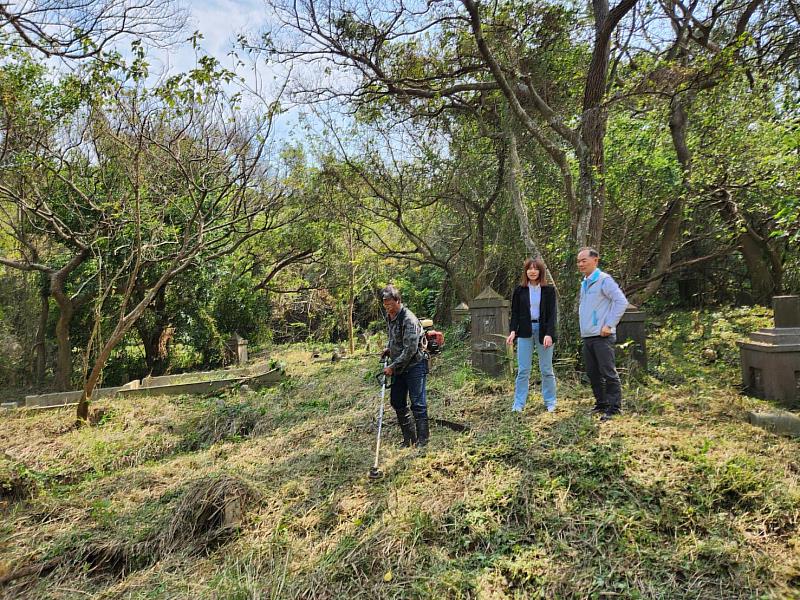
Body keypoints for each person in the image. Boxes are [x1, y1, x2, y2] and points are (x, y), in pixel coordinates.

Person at [576, 247, 629, 421]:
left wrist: (609, 324)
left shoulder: (604, 280)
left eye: (584, 260)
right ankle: (602, 404)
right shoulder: (585, 282)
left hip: (602, 336)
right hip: (588, 336)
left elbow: (621, 301)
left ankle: (614, 408)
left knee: (608, 372)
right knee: (592, 372)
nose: (581, 264)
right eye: (579, 261)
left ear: (595, 260)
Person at [505, 257, 558, 412]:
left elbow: (552, 315)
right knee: (523, 370)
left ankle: (550, 402)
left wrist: (549, 333)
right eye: (530, 268)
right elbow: (515, 313)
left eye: (535, 268)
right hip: (525, 332)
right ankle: (518, 403)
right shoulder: (519, 290)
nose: (532, 271)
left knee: (546, 369)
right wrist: (513, 331)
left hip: (544, 331)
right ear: (526, 271)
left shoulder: (548, 290)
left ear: (540, 271)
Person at [380, 285, 430, 447]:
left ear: (398, 301)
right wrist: (389, 349)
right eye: (384, 303)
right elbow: (394, 338)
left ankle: (423, 440)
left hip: (415, 364)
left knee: (418, 403)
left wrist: (392, 367)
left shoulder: (409, 319)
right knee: (397, 400)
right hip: (399, 366)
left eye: (389, 303)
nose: (387, 307)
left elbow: (410, 349)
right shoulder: (390, 316)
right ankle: (409, 438)